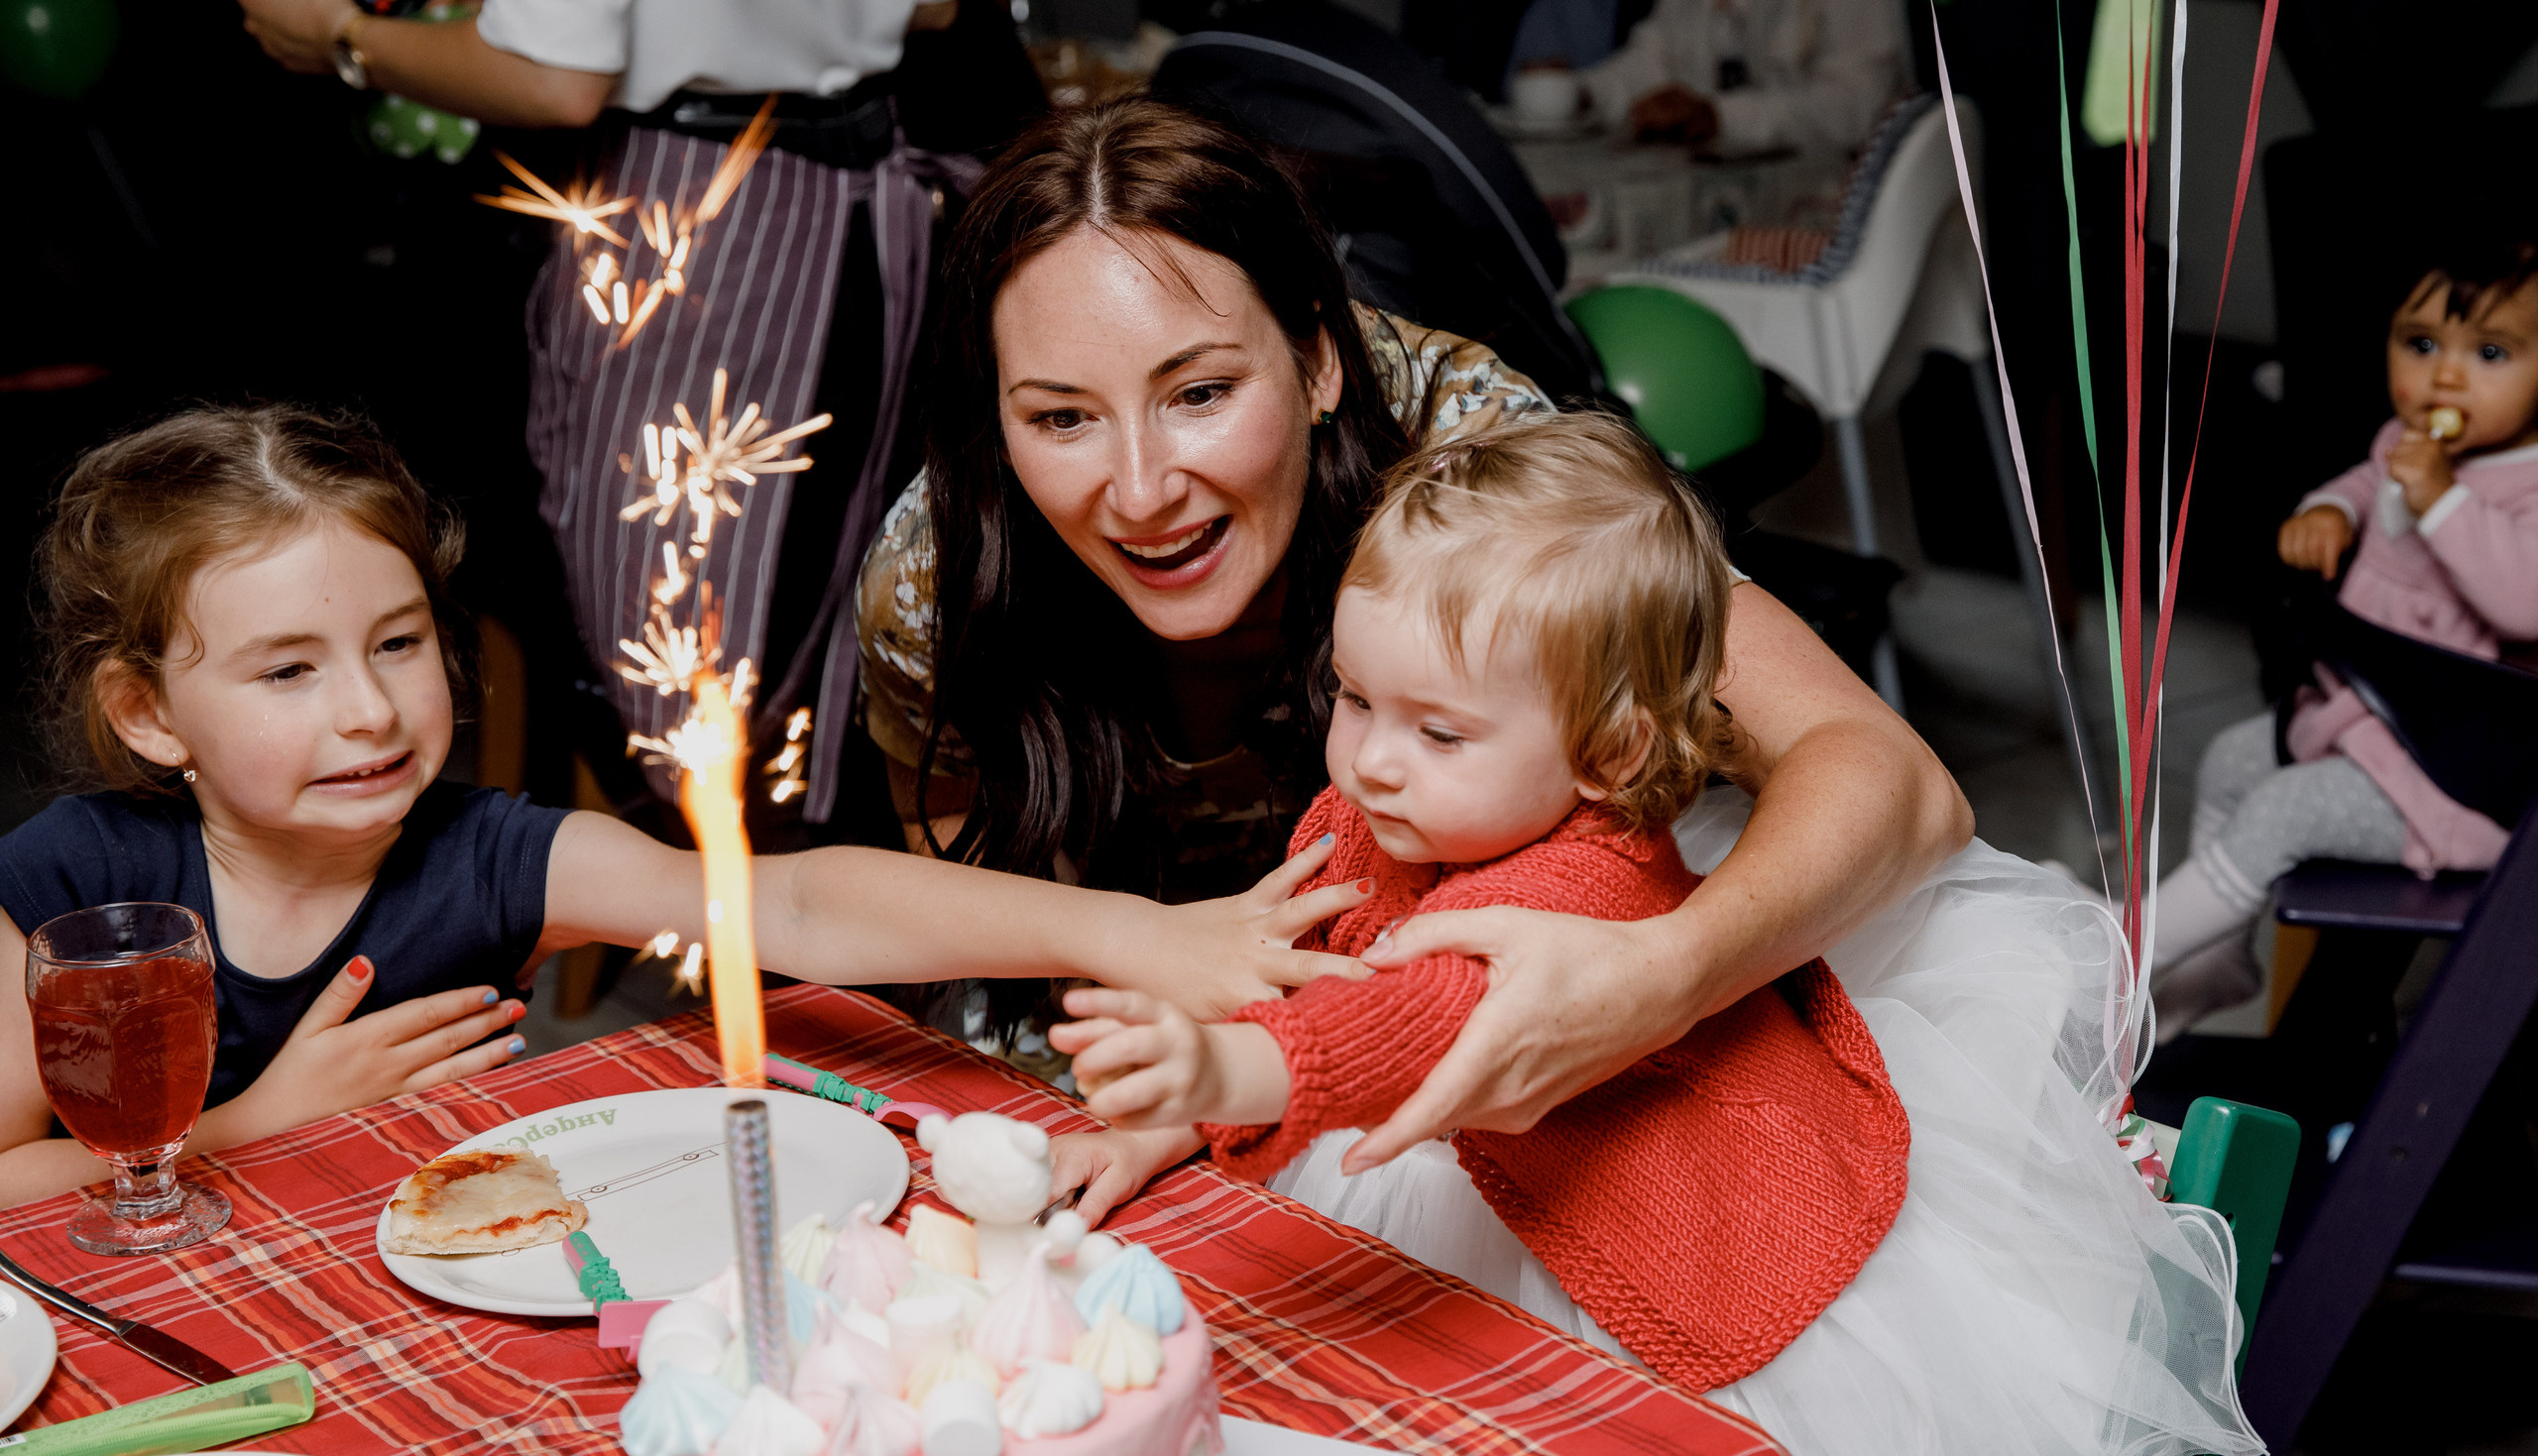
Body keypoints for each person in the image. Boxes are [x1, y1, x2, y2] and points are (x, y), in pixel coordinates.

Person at [1040, 412, 2262, 1456]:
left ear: (1608, 751)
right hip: (1459, 1171)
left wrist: (1226, 1074)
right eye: (1354, 699)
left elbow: (1401, 1024)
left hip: (1655, 1245)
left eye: (1437, 732)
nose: (1374, 761)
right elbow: (1314, 965)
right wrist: (1168, 1116)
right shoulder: (1381, 812)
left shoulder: (1584, 887)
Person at [859, 97, 1969, 1157]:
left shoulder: (1464, 455)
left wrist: (1667, 973)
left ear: (1318, 360)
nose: (1143, 491)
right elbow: (967, 859)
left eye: (1200, 394)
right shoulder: (941, 575)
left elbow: (1895, 780)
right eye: (1061, 417)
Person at [0, 404, 1368, 1207]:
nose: (368, 708)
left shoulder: (490, 857)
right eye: (288, 670)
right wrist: (251, 1128)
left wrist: (1138, 932)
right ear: (148, 711)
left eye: (399, 642)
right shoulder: (62, 895)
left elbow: (798, 901)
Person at [231, 0, 1044, 834]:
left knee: (677, 651)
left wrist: (345, 38)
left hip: (701, 223)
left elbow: (555, 79)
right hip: (852, 205)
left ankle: (719, 877)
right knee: (790, 617)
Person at [2154, 238, 2538, 1036]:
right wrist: (2331, 509)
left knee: (2283, 811)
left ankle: (2119, 961)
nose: (2446, 376)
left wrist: (2443, 500)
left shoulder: (2524, 485)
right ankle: (2215, 960)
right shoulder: (2406, 444)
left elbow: (2521, 602)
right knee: (2230, 758)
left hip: (2457, 778)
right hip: (2365, 722)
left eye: (2491, 353)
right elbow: (2369, 482)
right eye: (2421, 343)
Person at [1524, 0, 1907, 153]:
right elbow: (1653, 60)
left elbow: (1858, 105)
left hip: (1848, 227)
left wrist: (1722, 118)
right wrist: (1581, 92)